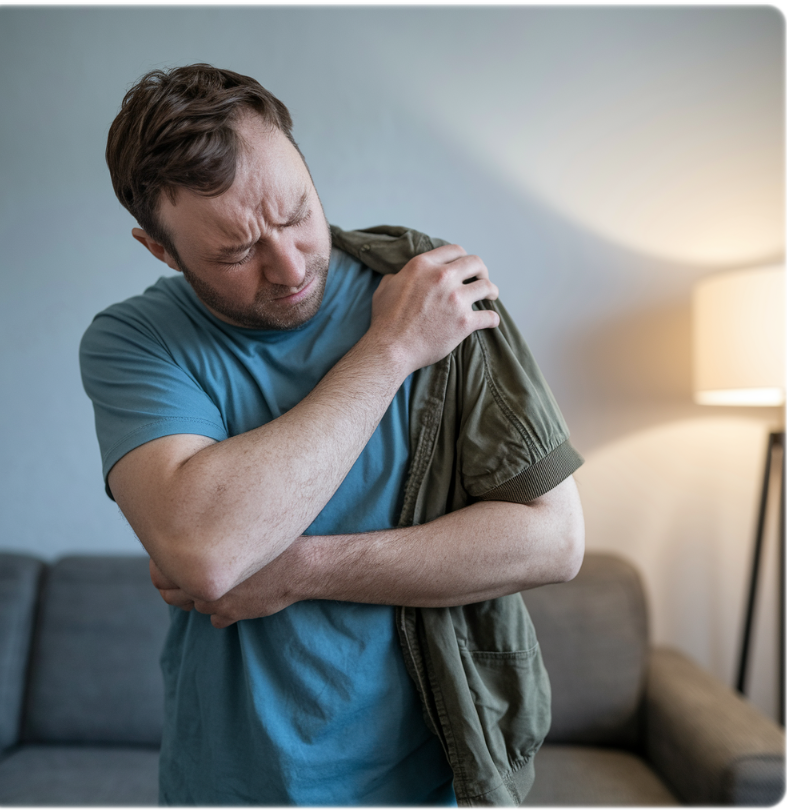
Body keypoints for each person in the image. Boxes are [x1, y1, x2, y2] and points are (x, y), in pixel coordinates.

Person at [80, 64, 585, 806]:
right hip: (231, 783)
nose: (288, 267)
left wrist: (297, 569)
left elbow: (555, 541)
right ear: (161, 250)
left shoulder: (433, 287)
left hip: (433, 781)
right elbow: (209, 553)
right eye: (235, 252)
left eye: (296, 214)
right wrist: (389, 352)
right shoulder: (136, 341)